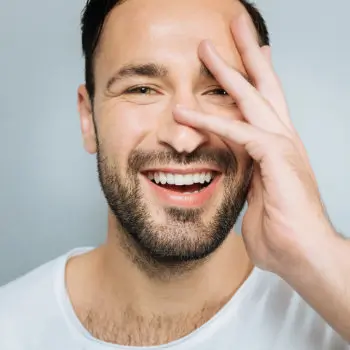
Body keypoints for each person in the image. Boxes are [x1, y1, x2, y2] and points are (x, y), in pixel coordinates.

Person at [0, 0, 349, 348]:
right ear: (88, 119)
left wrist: (314, 252)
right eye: (142, 89)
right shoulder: (10, 326)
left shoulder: (333, 312)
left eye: (220, 91)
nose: (184, 138)